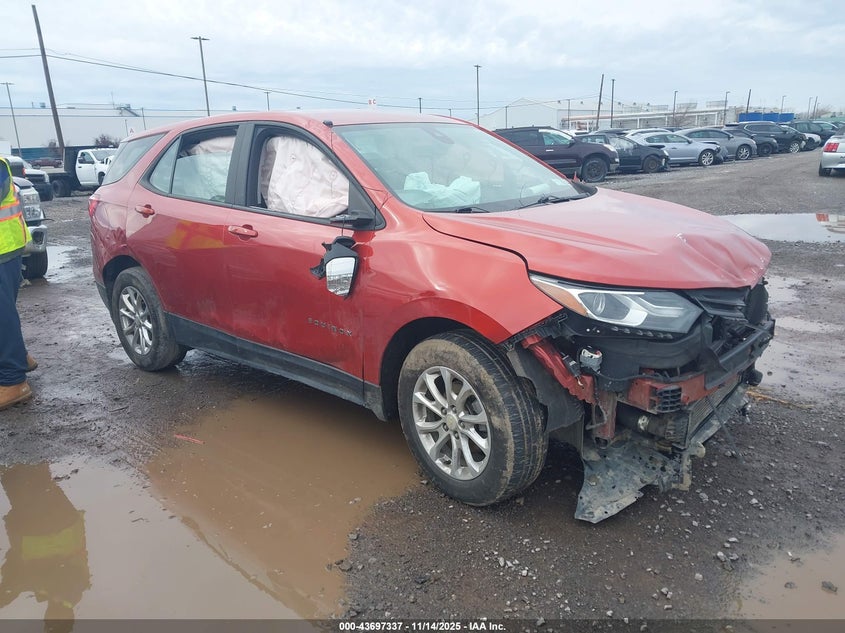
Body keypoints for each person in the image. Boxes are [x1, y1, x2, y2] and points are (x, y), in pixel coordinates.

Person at [0, 156, 37, 411]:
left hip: (3, 250)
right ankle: (18, 357)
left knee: (2, 315)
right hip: (6, 247)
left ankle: (14, 381)